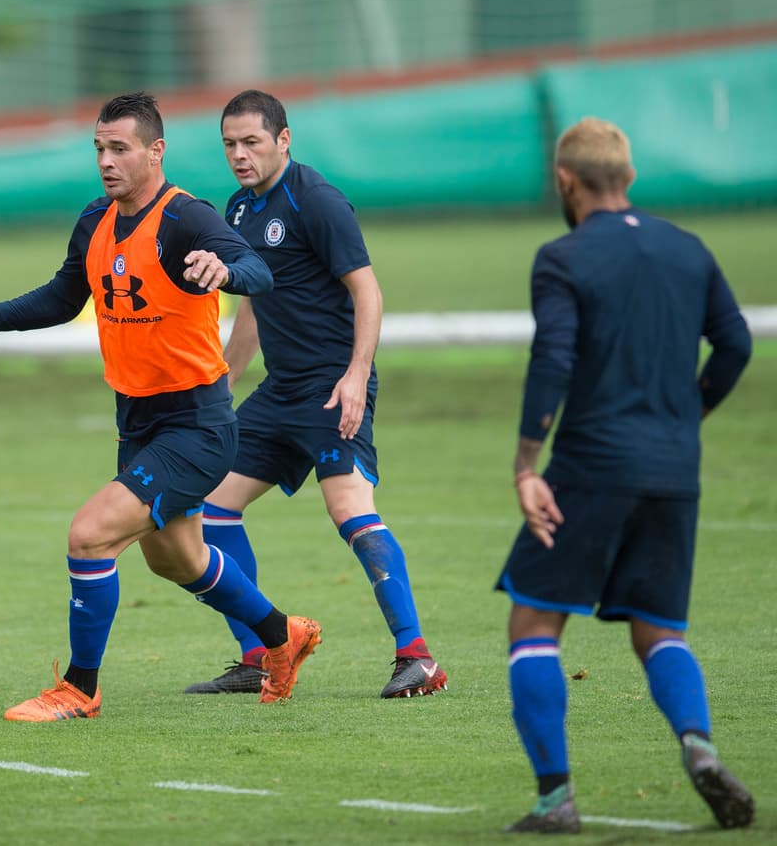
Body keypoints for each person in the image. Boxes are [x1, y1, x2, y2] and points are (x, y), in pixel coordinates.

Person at [0, 92, 322, 721]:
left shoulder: (187, 218)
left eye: (120, 148)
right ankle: (280, 635)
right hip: (139, 419)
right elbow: (58, 298)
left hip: (198, 423)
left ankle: (79, 688)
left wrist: (227, 269)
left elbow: (256, 269)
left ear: (156, 152)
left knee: (90, 535)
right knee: (174, 556)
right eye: (100, 148)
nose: (106, 161)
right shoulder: (95, 221)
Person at [497, 118, 753, 833]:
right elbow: (734, 343)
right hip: (675, 468)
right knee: (659, 627)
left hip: (592, 463)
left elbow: (552, 360)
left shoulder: (563, 257)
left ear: (565, 181)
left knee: (534, 620)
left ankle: (556, 797)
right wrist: (688, 413)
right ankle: (698, 746)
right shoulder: (688, 248)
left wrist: (526, 463)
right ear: (630, 178)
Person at [183, 89, 447, 700]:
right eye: (229, 144)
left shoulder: (318, 201)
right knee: (209, 508)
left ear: (284, 139)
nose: (240, 155)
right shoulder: (240, 211)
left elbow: (368, 293)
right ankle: (257, 657)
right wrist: (220, 382)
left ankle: (418, 657)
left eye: (251, 142)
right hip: (280, 393)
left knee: (350, 512)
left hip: (332, 387)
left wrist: (356, 375)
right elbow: (252, 307)